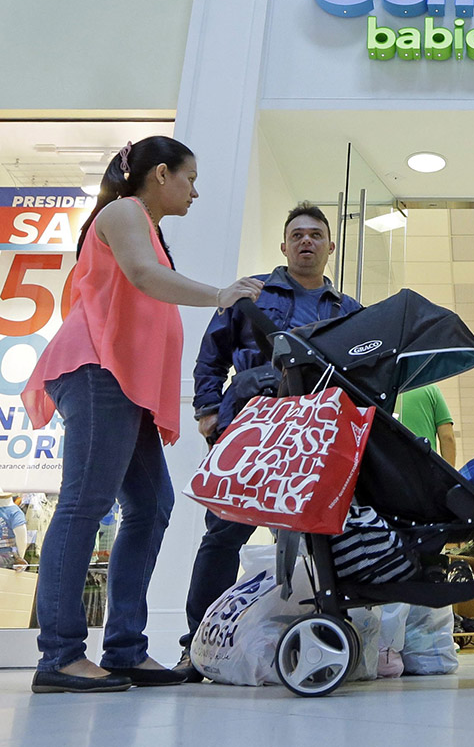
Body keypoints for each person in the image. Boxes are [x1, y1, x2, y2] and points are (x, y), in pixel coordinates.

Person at [20, 136, 263, 693]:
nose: (195, 192)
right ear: (160, 174)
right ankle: (59, 655)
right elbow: (143, 276)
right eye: (189, 178)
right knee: (85, 504)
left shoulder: (145, 224)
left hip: (123, 382)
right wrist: (221, 294)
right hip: (97, 370)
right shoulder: (124, 211)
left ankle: (125, 649)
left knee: (151, 506)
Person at [176, 203, 360, 681]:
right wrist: (208, 411)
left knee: (320, 540)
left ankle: (323, 640)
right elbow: (211, 356)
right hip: (250, 430)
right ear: (284, 246)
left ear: (330, 246)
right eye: (297, 235)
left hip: (312, 439)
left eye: (315, 235)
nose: (306, 241)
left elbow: (362, 378)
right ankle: (196, 645)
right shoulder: (249, 295)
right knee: (224, 534)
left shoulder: (348, 311)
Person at [397, 384, 456, 466]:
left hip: (390, 465)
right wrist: (449, 471)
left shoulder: (384, 392)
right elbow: (447, 437)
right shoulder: (431, 389)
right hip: (425, 465)